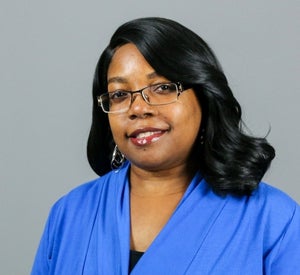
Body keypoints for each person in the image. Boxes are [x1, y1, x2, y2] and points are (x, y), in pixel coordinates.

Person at [31, 17, 300, 274]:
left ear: (204, 97)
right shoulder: (69, 213)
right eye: (120, 94)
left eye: (162, 88)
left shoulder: (274, 220)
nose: (137, 108)